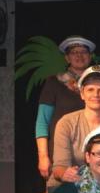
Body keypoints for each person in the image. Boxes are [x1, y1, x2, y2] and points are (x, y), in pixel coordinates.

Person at [49, 65, 100, 193]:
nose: (96, 95)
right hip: (69, 186)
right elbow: (59, 168)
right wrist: (66, 173)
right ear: (82, 94)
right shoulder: (66, 123)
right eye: (90, 89)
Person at [35, 35, 95, 179]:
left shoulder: (97, 84)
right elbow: (42, 121)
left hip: (92, 154)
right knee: (60, 192)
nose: (79, 56)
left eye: (83, 52)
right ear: (67, 58)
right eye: (74, 52)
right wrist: (43, 156)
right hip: (60, 154)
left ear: (90, 56)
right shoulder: (54, 82)